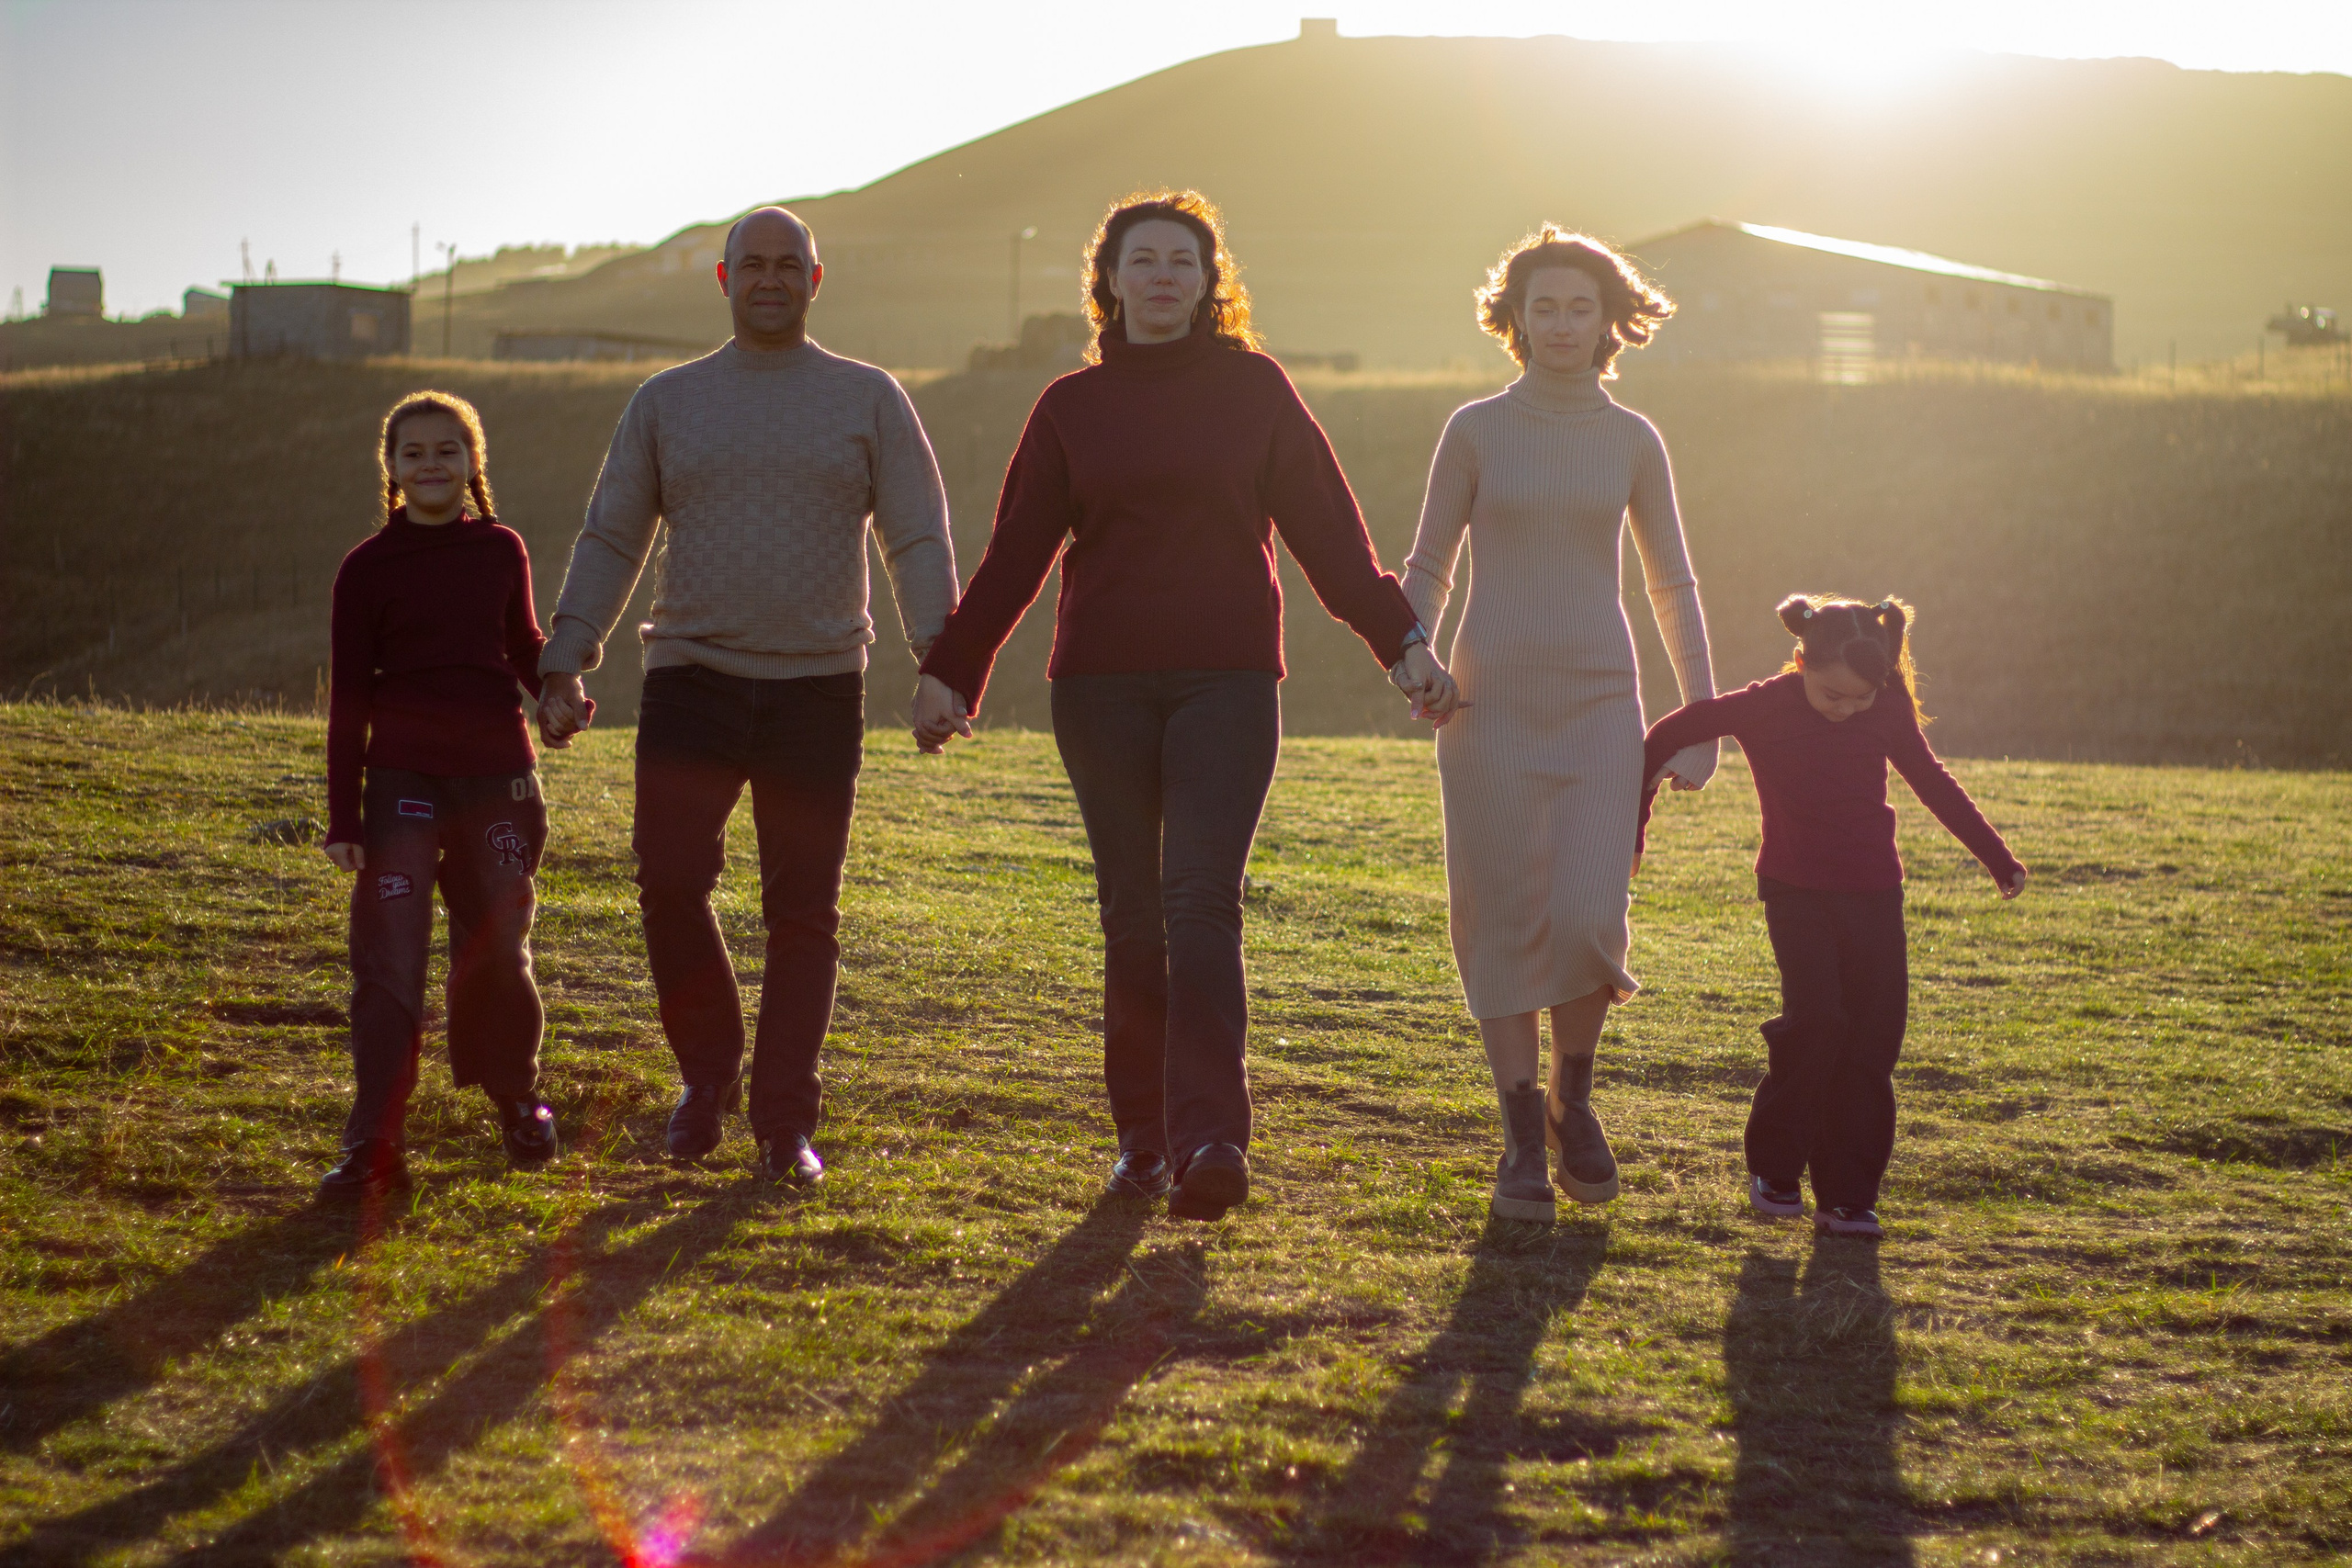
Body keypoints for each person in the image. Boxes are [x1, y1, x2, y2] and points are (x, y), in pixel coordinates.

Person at [911, 190, 1453, 1221]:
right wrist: (953, 667)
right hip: (1101, 686)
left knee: (1199, 901)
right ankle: (1142, 1141)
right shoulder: (1071, 408)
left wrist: (1404, 645)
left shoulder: (1254, 391)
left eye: (1182, 261)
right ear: (1109, 282)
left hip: (1226, 680)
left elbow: (1331, 539)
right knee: (1130, 916)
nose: (1161, 275)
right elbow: (1016, 553)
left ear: (1210, 284)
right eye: (1141, 260)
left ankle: (1210, 1136)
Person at [535, 206, 958, 1186]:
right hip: (691, 681)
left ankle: (783, 1127)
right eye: (751, 265)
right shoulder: (666, 401)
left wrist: (941, 656)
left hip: (816, 691)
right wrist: (568, 654)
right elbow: (613, 534)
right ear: (724, 282)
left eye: (788, 265)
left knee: (802, 912)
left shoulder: (869, 398)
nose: (769, 279)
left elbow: (915, 536)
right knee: (670, 885)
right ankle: (708, 1076)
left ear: (816, 281)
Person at [1399, 227, 1716, 1224]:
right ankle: (1517, 1131)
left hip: (1597, 705)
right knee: (1496, 915)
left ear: (1610, 320)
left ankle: (1573, 1096)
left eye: (1581, 307)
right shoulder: (1475, 429)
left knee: (1588, 916)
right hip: (1486, 704)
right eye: (1545, 307)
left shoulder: (1632, 440)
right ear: (1515, 320)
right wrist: (1414, 655)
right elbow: (1426, 566)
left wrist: (1697, 719)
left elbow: (1671, 582)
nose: (1563, 325)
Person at [1638, 595, 2029, 1239]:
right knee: (1817, 1019)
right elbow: (1666, 735)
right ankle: (1776, 1167)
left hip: (1875, 893)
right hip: (1796, 892)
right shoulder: (1766, 704)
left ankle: (1847, 1195)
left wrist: (1996, 857)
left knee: (1873, 1037)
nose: (1846, 710)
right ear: (1799, 661)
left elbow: (1931, 779)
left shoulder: (1886, 707)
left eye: (1860, 700)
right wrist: (1637, 822)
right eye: (1832, 695)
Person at [320, 390, 569, 1201]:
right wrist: (343, 814)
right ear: (390, 470)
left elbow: (524, 646)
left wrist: (557, 694)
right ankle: (376, 1143)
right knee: (390, 963)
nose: (432, 465)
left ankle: (518, 1098)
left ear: (473, 464)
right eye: (414, 453)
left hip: (498, 779)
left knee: (498, 947)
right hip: (400, 786)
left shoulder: (501, 549)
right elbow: (350, 697)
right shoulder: (365, 569)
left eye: (448, 451)